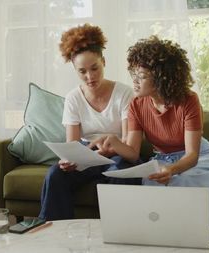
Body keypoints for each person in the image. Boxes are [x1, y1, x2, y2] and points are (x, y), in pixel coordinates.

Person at [99, 36, 209, 227]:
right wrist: (114, 142)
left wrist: (173, 170)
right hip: (163, 158)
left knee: (191, 181)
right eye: (134, 74)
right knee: (153, 183)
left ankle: (195, 234)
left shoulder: (188, 100)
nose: (134, 81)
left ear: (160, 77)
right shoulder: (136, 104)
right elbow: (133, 154)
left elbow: (192, 155)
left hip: (197, 155)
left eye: (141, 76)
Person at [38, 24, 138, 221]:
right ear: (75, 70)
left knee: (122, 173)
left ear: (104, 62)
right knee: (55, 175)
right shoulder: (73, 98)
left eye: (94, 68)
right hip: (86, 154)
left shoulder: (124, 93)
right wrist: (68, 161)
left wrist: (108, 150)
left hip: (119, 153)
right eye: (82, 71)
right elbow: (73, 145)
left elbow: (128, 143)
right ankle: (56, 236)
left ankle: (118, 235)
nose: (90, 77)